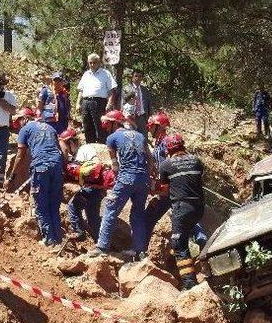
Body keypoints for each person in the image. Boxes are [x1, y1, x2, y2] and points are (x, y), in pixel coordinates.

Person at [89, 110, 155, 259]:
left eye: (107, 124)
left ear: (113, 123)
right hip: (143, 179)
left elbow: (115, 165)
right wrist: (148, 177)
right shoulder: (140, 136)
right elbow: (150, 160)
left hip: (126, 178)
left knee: (110, 209)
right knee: (138, 214)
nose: (105, 127)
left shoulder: (112, 138)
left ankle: (102, 247)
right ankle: (139, 251)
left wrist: (117, 178)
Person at [144, 112, 207, 250]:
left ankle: (142, 248)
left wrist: (161, 186)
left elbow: (172, 163)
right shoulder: (159, 142)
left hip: (173, 185)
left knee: (174, 212)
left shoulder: (167, 141)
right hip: (169, 184)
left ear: (159, 126)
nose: (149, 129)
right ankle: (200, 237)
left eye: (151, 126)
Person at [6, 111, 64, 247]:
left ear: (25, 119)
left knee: (41, 204)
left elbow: (20, 155)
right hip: (57, 166)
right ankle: (58, 238)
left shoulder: (25, 129)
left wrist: (11, 176)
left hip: (41, 167)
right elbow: (61, 149)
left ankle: (49, 241)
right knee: (54, 205)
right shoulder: (50, 128)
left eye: (18, 120)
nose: (17, 124)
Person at [158, 133, 204, 290]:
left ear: (168, 149)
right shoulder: (196, 161)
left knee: (179, 244)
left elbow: (164, 190)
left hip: (181, 208)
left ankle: (189, 284)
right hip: (198, 208)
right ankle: (204, 263)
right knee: (193, 235)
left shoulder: (165, 165)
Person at [59, 127, 103, 241]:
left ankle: (79, 232)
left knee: (73, 206)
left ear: (71, 142)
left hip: (91, 188)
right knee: (93, 218)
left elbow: (80, 169)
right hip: (94, 188)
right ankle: (101, 243)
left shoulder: (83, 150)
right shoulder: (80, 151)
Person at [76, 53, 117, 144]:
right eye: (90, 63)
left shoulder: (105, 73)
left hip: (99, 102)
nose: (92, 65)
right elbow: (81, 90)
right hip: (86, 102)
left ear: (99, 63)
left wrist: (109, 103)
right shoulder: (86, 74)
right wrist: (78, 103)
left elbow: (112, 91)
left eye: (94, 62)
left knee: (100, 125)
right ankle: (90, 145)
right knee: (87, 125)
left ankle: (102, 145)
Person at [121, 69, 152, 135]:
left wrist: (149, 117)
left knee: (143, 138)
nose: (138, 78)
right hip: (130, 117)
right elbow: (122, 104)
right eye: (136, 76)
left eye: (140, 76)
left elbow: (149, 104)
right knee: (131, 137)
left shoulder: (145, 90)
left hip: (142, 117)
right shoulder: (126, 89)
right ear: (132, 77)